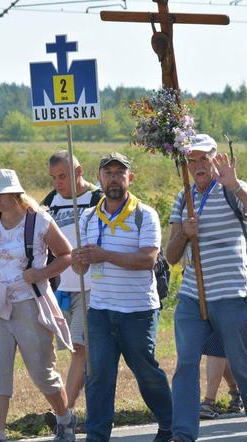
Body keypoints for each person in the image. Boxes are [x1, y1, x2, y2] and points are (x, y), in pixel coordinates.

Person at [165, 134, 247, 442]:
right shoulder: (182, 198)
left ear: (215, 160)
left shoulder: (231, 189)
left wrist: (236, 184)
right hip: (191, 296)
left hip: (231, 294)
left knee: (241, 363)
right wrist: (184, 234)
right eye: (192, 160)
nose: (198, 165)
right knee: (186, 363)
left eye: (203, 159)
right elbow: (172, 256)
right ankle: (183, 434)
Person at [71, 153, 173, 442]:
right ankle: (97, 436)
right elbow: (80, 267)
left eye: (120, 172)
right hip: (100, 311)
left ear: (130, 178)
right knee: (98, 375)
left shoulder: (145, 214)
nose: (114, 178)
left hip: (138, 311)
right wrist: (78, 259)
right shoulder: (89, 216)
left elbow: (147, 260)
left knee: (146, 372)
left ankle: (169, 424)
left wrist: (105, 255)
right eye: (108, 172)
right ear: (99, 178)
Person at [0, 169, 76, 442]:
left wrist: (42, 273)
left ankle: (65, 420)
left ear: (15, 193)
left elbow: (66, 255)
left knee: (42, 373)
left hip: (32, 304)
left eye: (1, 194)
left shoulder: (39, 221)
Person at [42, 151, 103, 432]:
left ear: (79, 172)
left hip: (91, 287)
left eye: (63, 176)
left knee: (81, 348)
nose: (58, 183)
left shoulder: (97, 198)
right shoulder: (49, 203)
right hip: (61, 289)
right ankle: (76, 413)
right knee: (73, 351)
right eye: (54, 178)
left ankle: (66, 414)